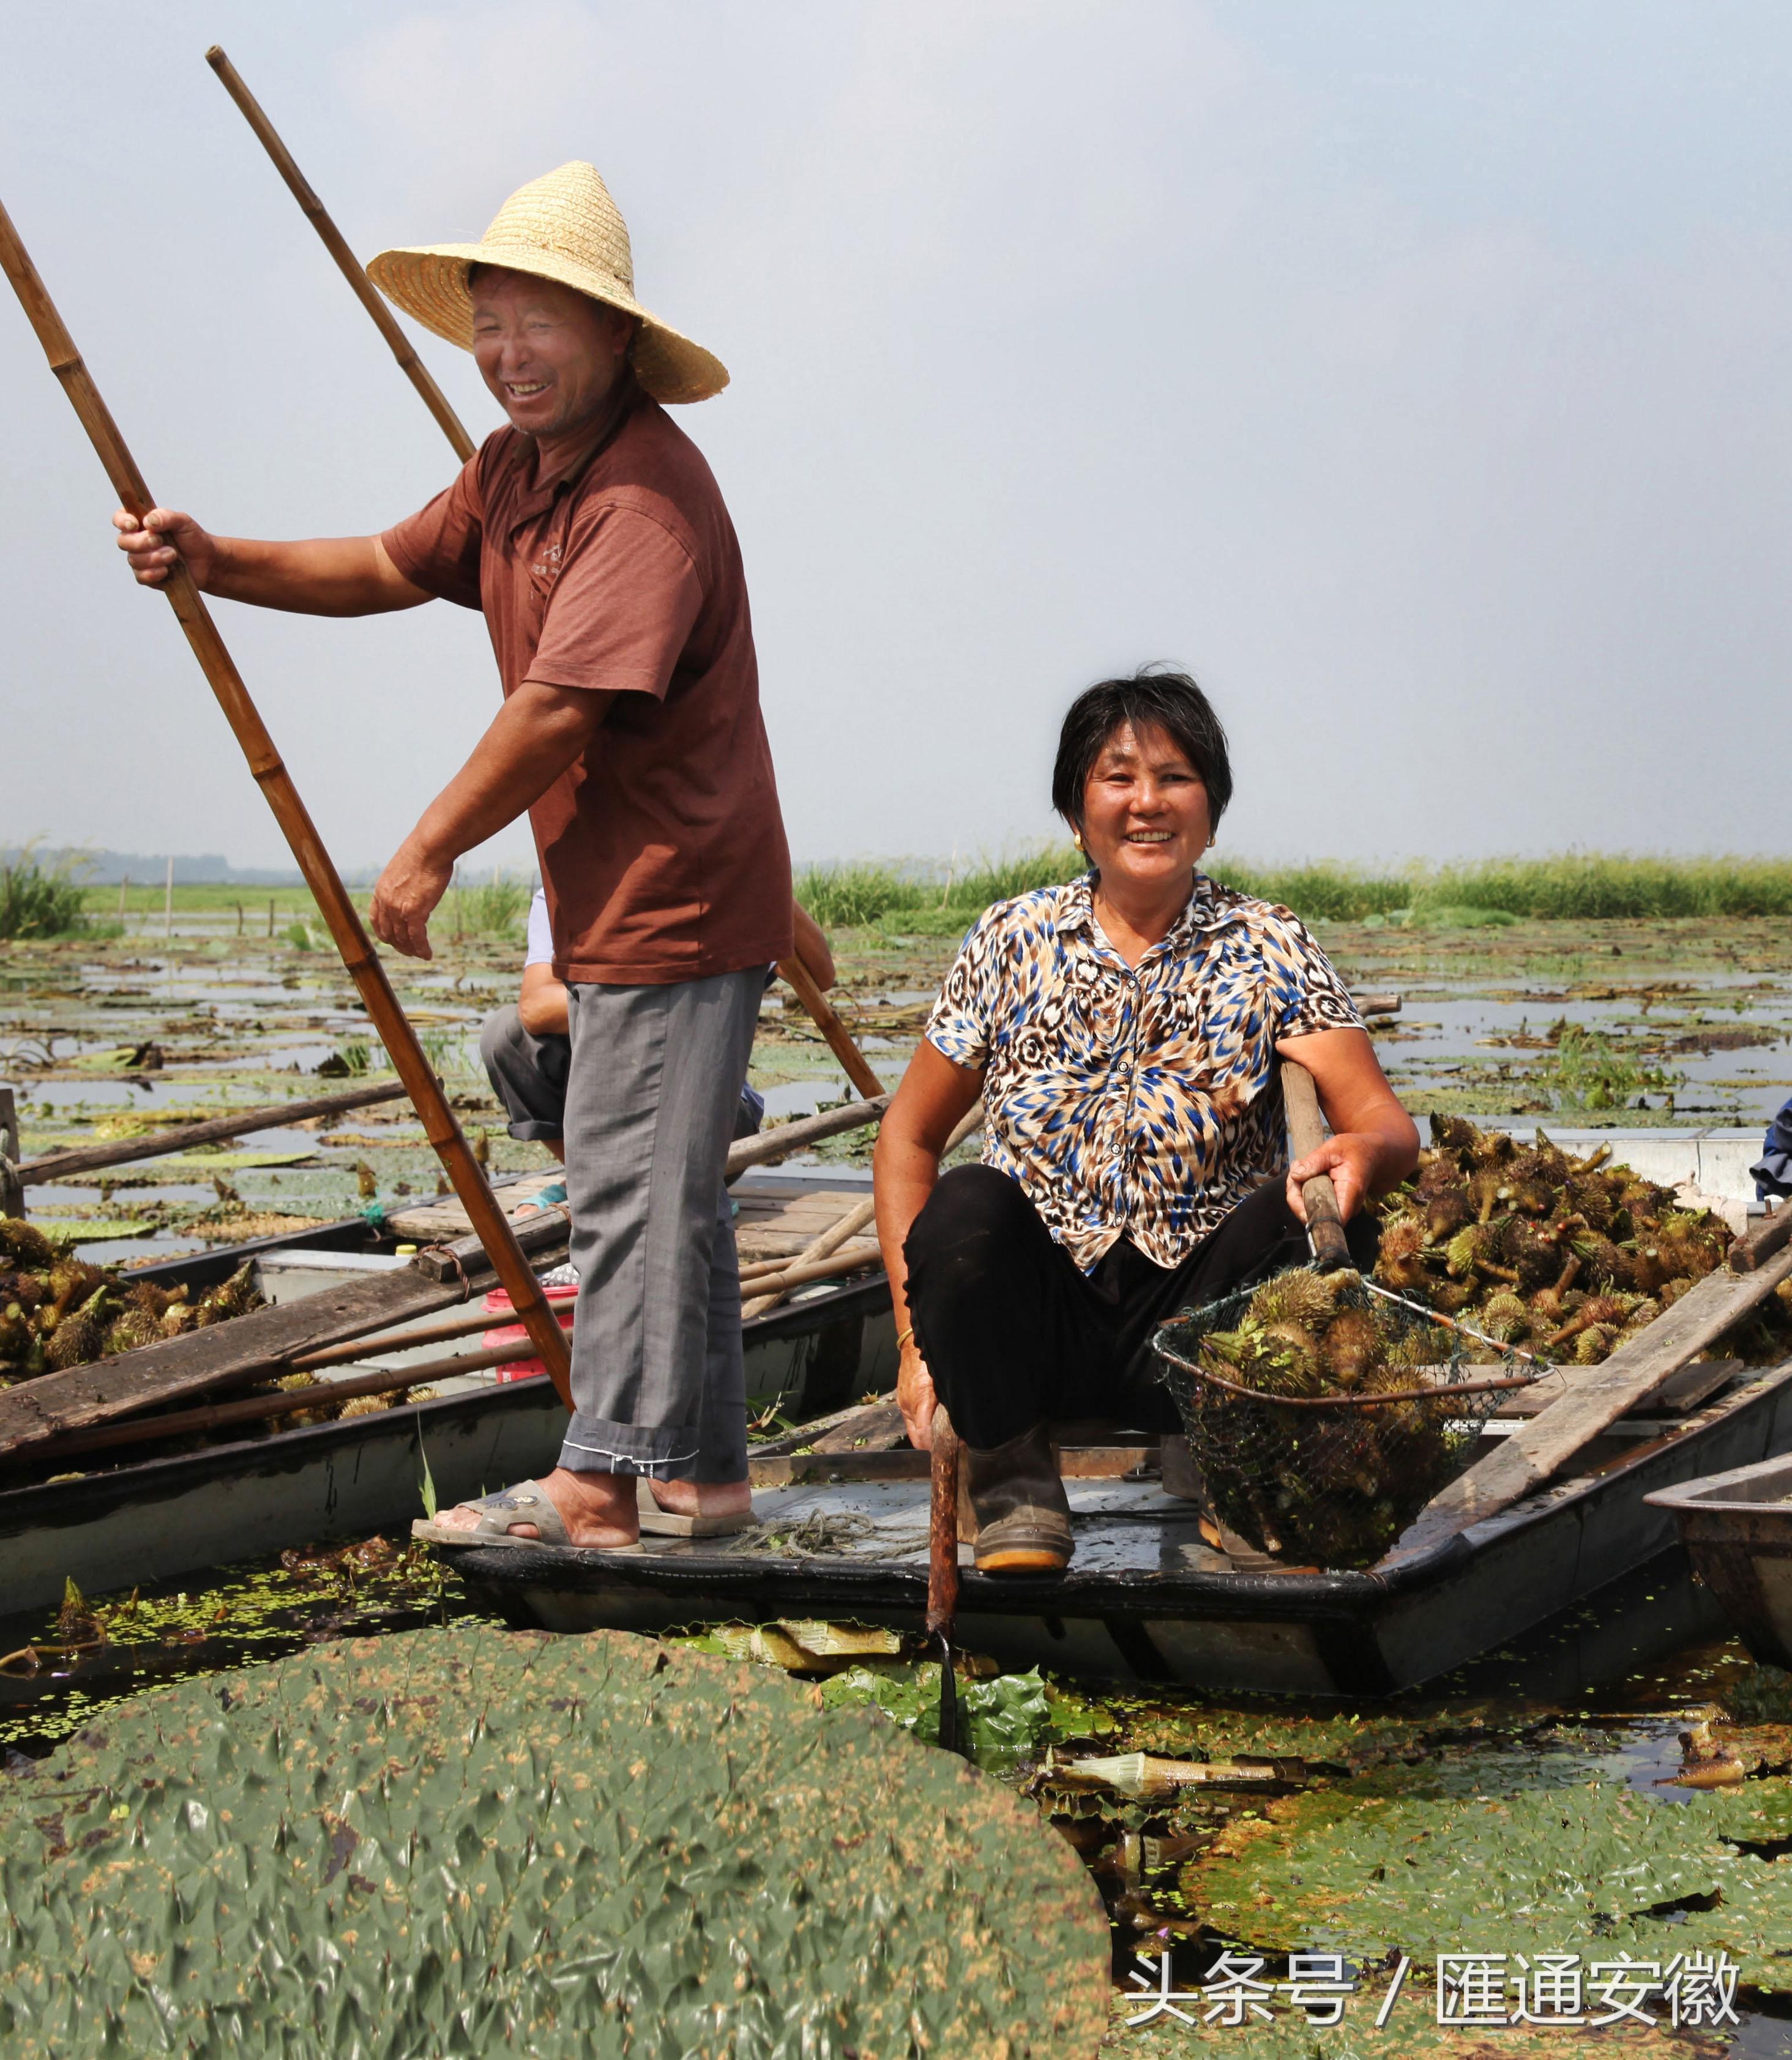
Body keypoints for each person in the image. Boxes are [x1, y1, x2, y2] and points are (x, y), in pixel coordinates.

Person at [116, 162, 790, 1550]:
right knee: (671, 1199)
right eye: (488, 325)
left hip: (679, 897)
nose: (507, 355)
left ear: (613, 334)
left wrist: (423, 850)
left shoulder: (645, 495)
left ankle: (599, 1483)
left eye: (537, 323)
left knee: (626, 1193)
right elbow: (378, 562)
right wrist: (212, 558)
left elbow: (557, 704)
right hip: (617, 898)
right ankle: (707, 1480)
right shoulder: (508, 472)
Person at [873, 670, 1419, 1574]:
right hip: (1036, 1326)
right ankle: (1011, 1478)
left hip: (1196, 1330)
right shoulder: (1011, 938)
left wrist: (1359, 1152)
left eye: (1175, 777)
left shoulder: (1267, 941)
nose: (1147, 803)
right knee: (967, 1206)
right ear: (1077, 804)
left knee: (1319, 1221)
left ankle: (1243, 1469)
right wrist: (911, 1347)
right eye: (1118, 776)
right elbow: (909, 1138)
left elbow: (1386, 1128)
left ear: (1211, 804)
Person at [481, 887, 837, 1173]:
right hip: (604, 1104)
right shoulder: (566, 885)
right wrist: (655, 1001)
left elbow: (820, 975)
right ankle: (586, 1179)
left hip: (711, 1118)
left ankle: (672, 1186)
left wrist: (762, 870)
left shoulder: (725, 884)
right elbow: (536, 1008)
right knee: (507, 1035)